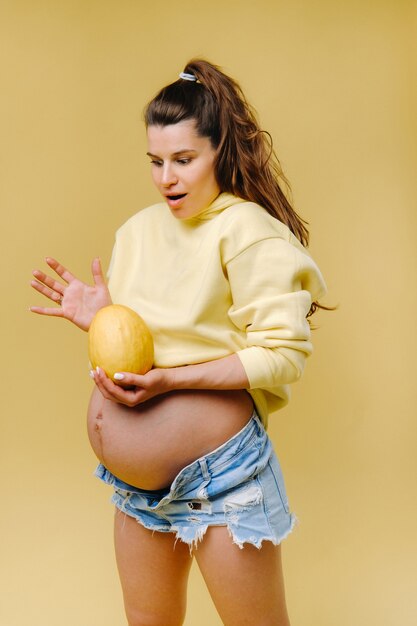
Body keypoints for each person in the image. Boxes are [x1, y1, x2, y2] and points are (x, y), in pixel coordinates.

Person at [30, 59, 327, 626]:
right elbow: (148, 345)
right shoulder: (137, 231)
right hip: (138, 490)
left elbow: (283, 355)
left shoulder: (248, 231)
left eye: (184, 160)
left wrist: (172, 382)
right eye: (156, 161)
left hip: (222, 479)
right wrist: (103, 319)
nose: (167, 177)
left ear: (222, 152)